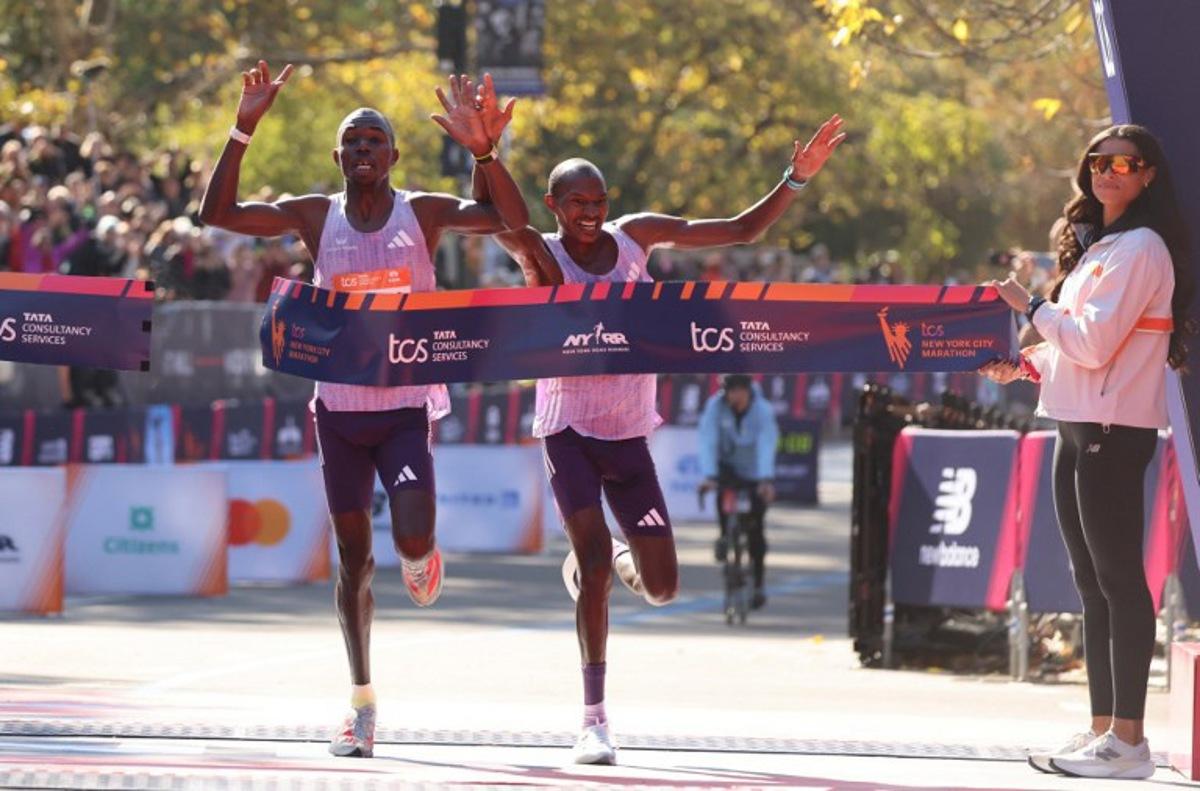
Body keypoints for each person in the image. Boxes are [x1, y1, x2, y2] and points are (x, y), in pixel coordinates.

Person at [472, 86, 844, 764]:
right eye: (576, 203)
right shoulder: (541, 254)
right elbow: (496, 213)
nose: (590, 213)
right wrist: (485, 151)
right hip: (568, 429)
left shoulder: (634, 237)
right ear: (554, 206)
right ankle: (594, 720)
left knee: (664, 585)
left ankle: (610, 561)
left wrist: (797, 177)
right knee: (591, 565)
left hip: (628, 431)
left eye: (599, 200)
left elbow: (739, 230)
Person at [198, 62, 529, 759]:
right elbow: (217, 215)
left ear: (394, 155)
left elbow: (510, 220)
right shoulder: (315, 216)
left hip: (406, 405)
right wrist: (243, 126)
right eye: (353, 143)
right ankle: (361, 703)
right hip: (339, 412)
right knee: (353, 562)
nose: (364, 152)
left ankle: (422, 553)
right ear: (338, 157)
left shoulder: (424, 212)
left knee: (409, 542)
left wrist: (484, 152)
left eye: (375, 141)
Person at [981, 124, 1194, 781]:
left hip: (1111, 425)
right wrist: (1028, 363)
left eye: (1126, 163)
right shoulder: (1102, 245)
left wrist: (1031, 305)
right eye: (1100, 161)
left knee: (1120, 581)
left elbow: (1095, 345)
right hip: (1075, 420)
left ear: (1149, 174)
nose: (1110, 171)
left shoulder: (1142, 247)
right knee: (1091, 583)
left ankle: (1130, 741)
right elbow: (1076, 347)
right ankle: (1105, 729)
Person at [697, 373, 780, 610]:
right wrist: (709, 475)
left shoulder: (762, 410)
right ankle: (724, 535)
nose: (734, 396)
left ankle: (759, 584)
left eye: (739, 390)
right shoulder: (715, 407)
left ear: (748, 390)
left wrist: (766, 479)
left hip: (755, 471)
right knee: (724, 496)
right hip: (727, 469)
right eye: (730, 391)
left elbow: (766, 443)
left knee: (756, 533)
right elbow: (707, 440)